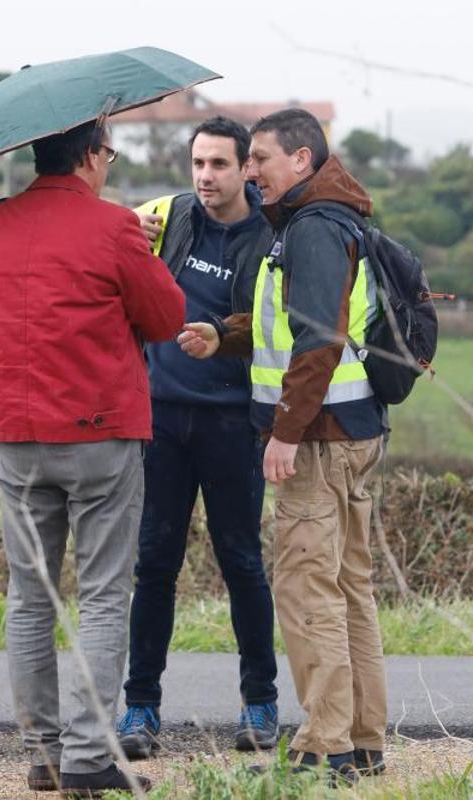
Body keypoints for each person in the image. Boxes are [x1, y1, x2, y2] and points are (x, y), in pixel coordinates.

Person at [0, 120, 185, 796]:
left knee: (30, 596)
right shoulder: (114, 226)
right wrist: (145, 255)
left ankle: (42, 750)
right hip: (99, 431)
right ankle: (91, 756)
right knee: (102, 595)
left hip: (17, 434)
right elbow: (166, 318)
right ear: (91, 156)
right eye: (109, 154)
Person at [177, 108, 389, 782]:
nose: (249, 171)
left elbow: (319, 339)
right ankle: (362, 737)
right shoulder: (321, 221)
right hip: (350, 432)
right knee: (350, 587)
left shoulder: (315, 230)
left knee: (307, 590)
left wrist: (285, 435)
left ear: (301, 159)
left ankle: (327, 744)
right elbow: (291, 323)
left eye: (260, 158)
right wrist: (226, 334)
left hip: (318, 440)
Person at [115, 116, 279, 759]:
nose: (206, 177)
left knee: (242, 564)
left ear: (245, 169)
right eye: (198, 164)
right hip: (160, 418)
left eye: (219, 165)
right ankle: (141, 710)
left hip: (233, 421)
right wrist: (131, 232)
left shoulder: (271, 234)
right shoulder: (175, 214)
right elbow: (115, 234)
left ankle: (260, 702)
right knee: (153, 565)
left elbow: (282, 323)